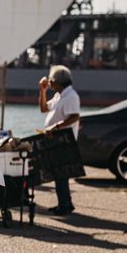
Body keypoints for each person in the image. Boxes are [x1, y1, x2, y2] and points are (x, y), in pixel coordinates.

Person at [39, 64, 81, 214]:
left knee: (61, 174)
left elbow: (75, 116)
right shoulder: (59, 96)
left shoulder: (71, 96)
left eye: (50, 80)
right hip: (56, 140)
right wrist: (42, 91)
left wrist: (54, 127)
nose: (49, 82)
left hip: (64, 140)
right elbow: (44, 109)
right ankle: (64, 203)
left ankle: (65, 205)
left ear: (57, 81)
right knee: (58, 174)